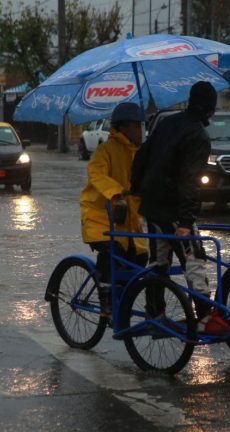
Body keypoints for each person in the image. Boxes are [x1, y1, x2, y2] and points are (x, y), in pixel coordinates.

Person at [130, 81, 228, 334]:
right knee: (194, 258)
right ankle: (206, 316)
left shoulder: (167, 122)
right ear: (210, 109)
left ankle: (155, 312)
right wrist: (185, 222)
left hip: (152, 205)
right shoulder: (198, 136)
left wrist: (136, 188)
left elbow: (142, 156)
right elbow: (190, 182)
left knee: (158, 260)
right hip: (174, 209)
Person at [79, 102, 148, 317]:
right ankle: (106, 298)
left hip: (129, 220)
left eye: (141, 126)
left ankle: (122, 296)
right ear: (124, 127)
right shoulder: (105, 150)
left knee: (140, 257)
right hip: (100, 217)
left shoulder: (141, 153)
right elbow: (97, 174)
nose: (140, 131)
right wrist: (116, 193)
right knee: (113, 252)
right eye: (137, 126)